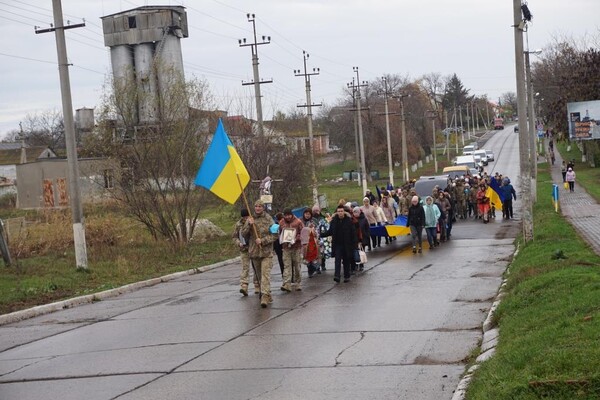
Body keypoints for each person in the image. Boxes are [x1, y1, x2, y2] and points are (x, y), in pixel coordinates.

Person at [242, 199, 276, 308]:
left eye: (260, 206)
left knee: (265, 274)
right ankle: (267, 292)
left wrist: (263, 241)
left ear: (263, 208)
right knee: (260, 276)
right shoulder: (250, 219)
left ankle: (264, 296)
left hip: (266, 252)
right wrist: (249, 225)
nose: (257, 208)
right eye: (256, 206)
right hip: (254, 253)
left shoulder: (269, 219)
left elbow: (275, 234)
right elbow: (243, 234)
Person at [323, 204, 357, 283]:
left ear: (344, 212)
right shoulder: (334, 221)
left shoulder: (349, 221)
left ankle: (346, 276)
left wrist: (355, 244)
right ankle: (337, 276)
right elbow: (330, 231)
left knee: (346, 261)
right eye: (339, 211)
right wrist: (321, 234)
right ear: (337, 212)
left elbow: (353, 233)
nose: (340, 213)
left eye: (341, 211)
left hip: (347, 244)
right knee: (337, 260)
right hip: (337, 244)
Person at [232, 208, 258, 296]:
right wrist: (238, 243)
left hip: (254, 248)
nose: (245, 219)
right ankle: (244, 286)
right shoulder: (238, 225)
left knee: (256, 267)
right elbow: (234, 237)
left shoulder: (253, 222)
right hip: (244, 249)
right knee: (245, 268)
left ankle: (257, 285)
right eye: (244, 217)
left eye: (247, 216)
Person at [278, 208, 304, 292]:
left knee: (297, 265)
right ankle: (287, 284)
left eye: (289, 215)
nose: (288, 217)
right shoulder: (281, 223)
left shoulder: (298, 222)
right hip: (286, 248)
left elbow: (303, 233)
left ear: (292, 215)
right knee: (287, 266)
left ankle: (298, 283)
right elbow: (279, 233)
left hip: (296, 247)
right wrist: (282, 239)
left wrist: (296, 238)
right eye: (286, 215)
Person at [300, 208, 320, 277]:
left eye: (309, 214)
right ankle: (310, 269)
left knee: (314, 255)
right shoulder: (301, 221)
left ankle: (316, 267)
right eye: (306, 214)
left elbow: (318, 229)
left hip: (313, 241)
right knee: (307, 257)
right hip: (305, 242)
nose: (307, 215)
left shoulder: (314, 221)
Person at [312, 205, 330, 272]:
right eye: (315, 211)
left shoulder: (322, 218)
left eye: (318, 210)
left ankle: (323, 264)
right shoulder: (312, 219)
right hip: (315, 238)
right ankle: (317, 267)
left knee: (323, 252)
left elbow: (326, 225)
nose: (317, 212)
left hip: (322, 237)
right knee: (316, 253)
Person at [352, 206, 370, 272]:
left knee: (361, 252)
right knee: (356, 252)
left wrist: (367, 235)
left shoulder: (364, 219)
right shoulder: (352, 220)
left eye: (356, 212)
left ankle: (361, 265)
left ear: (359, 212)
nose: (355, 214)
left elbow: (367, 228)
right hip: (354, 239)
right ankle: (356, 265)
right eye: (354, 212)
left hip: (363, 238)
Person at [272, 211, 285, 278]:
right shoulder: (281, 225)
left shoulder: (274, 225)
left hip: (279, 244)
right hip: (280, 244)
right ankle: (285, 273)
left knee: (282, 260)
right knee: (283, 259)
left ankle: (284, 273)